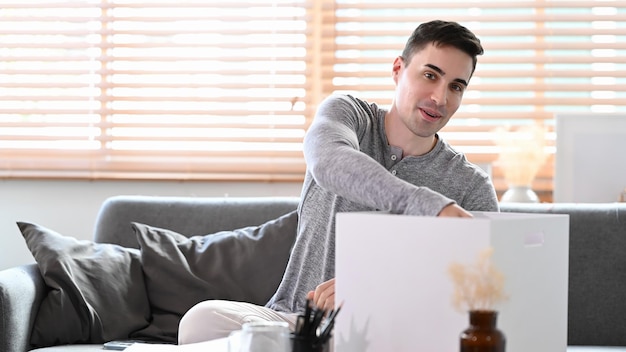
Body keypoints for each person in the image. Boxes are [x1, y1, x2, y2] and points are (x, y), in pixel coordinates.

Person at [177, 19, 499, 344]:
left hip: (389, 334)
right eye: (430, 75)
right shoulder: (348, 115)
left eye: (456, 86)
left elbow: (480, 292)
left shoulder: (471, 186)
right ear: (398, 69)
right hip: (293, 320)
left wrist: (371, 292)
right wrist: (431, 207)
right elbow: (329, 161)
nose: (440, 98)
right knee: (201, 321)